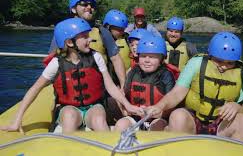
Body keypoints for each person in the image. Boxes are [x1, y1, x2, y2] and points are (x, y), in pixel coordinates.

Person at [0, 18, 143, 134]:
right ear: (70, 42)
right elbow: (34, 89)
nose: (90, 40)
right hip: (68, 107)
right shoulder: (57, 63)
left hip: (94, 106)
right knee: (69, 117)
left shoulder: (96, 57)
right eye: (85, 37)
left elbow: (110, 86)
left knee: (99, 118)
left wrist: (127, 105)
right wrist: (17, 120)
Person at [146, 32, 243, 142]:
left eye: (230, 63)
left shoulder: (241, 73)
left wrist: (236, 107)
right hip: (194, 119)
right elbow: (177, 93)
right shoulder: (196, 63)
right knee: (177, 116)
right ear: (210, 55)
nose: (223, 66)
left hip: (221, 124)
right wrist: (160, 106)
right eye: (219, 61)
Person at [47, 0, 126, 89]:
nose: (89, 7)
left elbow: (116, 59)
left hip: (98, 86)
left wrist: (123, 85)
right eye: (84, 4)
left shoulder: (102, 31)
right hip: (70, 86)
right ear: (74, 9)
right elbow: (52, 58)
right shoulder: (62, 31)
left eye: (92, 5)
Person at [114, 33, 177, 132]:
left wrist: (160, 113)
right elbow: (124, 95)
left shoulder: (166, 75)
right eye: (143, 56)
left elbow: (172, 104)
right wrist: (127, 111)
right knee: (121, 125)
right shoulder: (133, 72)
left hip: (158, 118)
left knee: (157, 127)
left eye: (152, 57)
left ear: (161, 59)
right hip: (136, 117)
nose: (147, 60)